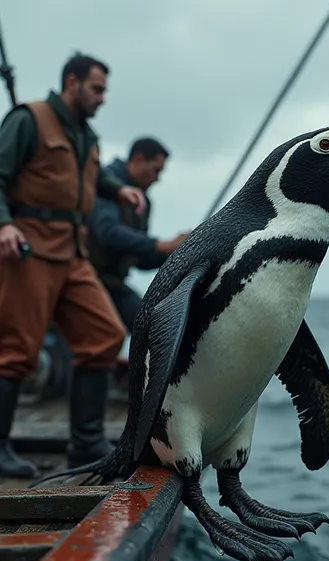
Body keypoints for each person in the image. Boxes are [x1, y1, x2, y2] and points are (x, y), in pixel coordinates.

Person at [0, 53, 146, 478]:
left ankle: (86, 444)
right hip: (28, 249)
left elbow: (89, 178)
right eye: (97, 89)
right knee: (16, 351)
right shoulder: (29, 119)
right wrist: (4, 226)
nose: (102, 98)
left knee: (104, 335)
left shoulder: (86, 135)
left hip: (72, 253)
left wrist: (120, 191)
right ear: (72, 82)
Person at [86, 136, 189, 333]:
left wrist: (175, 252)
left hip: (112, 283)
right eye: (155, 170)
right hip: (90, 278)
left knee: (152, 326)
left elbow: (138, 258)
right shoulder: (107, 185)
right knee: (111, 333)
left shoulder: (143, 202)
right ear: (139, 160)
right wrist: (162, 245)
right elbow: (108, 234)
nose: (157, 178)